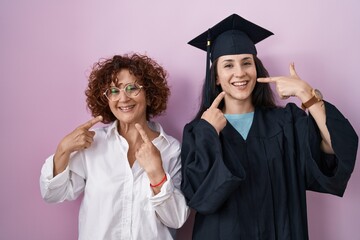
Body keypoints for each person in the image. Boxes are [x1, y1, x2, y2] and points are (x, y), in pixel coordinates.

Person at [180, 13, 358, 240]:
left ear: (257, 69)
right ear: (216, 77)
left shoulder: (286, 122)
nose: (240, 72)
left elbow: (336, 149)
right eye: (228, 65)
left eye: (247, 62)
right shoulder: (199, 131)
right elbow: (197, 197)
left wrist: (306, 93)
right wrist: (209, 133)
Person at [40, 53, 190, 240]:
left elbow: (176, 220)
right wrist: (63, 150)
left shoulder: (171, 148)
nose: (123, 98)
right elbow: (52, 194)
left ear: (149, 95)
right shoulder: (93, 143)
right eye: (114, 91)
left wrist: (156, 174)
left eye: (132, 88)